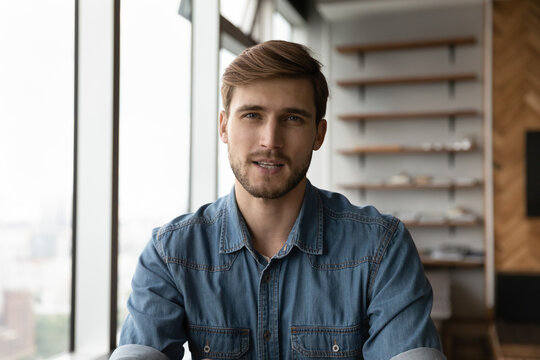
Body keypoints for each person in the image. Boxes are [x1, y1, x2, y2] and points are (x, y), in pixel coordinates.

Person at [111, 40, 445, 360]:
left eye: (292, 118)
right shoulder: (171, 253)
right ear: (224, 127)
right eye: (252, 115)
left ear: (318, 134)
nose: (271, 140)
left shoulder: (381, 247)